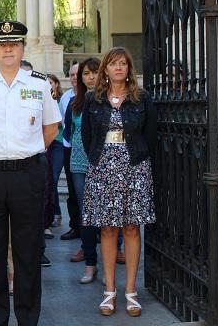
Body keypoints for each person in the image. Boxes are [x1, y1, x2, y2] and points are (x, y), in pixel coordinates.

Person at [0, 20, 61, 326]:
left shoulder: (39, 84)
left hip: (28, 175)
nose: (8, 49)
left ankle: (28, 318)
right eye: (2, 44)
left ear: (22, 48)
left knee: (28, 252)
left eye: (14, 44)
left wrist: (25, 152)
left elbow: (51, 129)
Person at [81, 47, 157, 317]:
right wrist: (99, 161)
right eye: (113, 64)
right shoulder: (93, 99)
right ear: (106, 69)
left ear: (129, 68)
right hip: (103, 167)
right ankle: (110, 291)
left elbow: (150, 134)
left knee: (132, 228)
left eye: (123, 63)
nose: (118, 68)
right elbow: (87, 135)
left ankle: (131, 291)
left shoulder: (141, 98)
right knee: (108, 229)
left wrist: (139, 163)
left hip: (135, 166)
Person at [63, 58, 101, 285]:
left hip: (105, 163)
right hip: (79, 163)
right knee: (86, 214)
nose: (90, 77)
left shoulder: (107, 100)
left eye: (95, 73)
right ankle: (90, 263)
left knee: (107, 214)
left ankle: (112, 254)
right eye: (86, 73)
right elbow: (68, 132)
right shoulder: (74, 103)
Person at [60, 63, 81, 243]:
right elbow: (64, 125)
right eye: (72, 74)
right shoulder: (65, 98)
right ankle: (76, 226)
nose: (75, 77)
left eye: (78, 74)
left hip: (89, 150)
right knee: (73, 191)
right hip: (70, 148)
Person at [47, 74, 65, 229]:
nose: (48, 85)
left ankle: (56, 212)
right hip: (45, 145)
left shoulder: (61, 100)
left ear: (56, 84)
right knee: (48, 180)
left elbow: (59, 121)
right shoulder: (42, 100)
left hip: (58, 144)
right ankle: (54, 213)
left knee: (52, 178)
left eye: (50, 82)